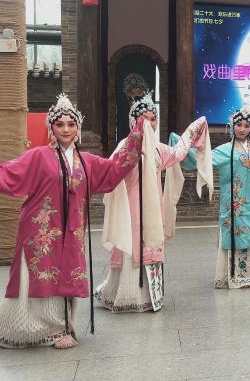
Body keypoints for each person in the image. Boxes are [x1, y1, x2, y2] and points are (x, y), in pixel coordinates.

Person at [0, 94, 144, 349]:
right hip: (39, 231)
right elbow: (8, 174)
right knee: (37, 276)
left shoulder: (88, 162)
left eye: (71, 124)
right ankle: (26, 330)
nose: (65, 129)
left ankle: (62, 328)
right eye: (60, 124)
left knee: (66, 274)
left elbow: (114, 170)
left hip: (72, 231)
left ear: (78, 128)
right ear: (51, 128)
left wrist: (137, 136)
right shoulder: (37, 156)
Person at [95, 92, 209, 313]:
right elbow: (110, 172)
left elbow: (177, 154)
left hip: (152, 210)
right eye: (143, 118)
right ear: (133, 121)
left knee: (149, 245)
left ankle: (149, 296)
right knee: (131, 247)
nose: (149, 123)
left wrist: (191, 132)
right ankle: (126, 296)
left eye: (153, 118)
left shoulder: (158, 149)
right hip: (129, 210)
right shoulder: (125, 146)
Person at [172, 100, 250, 290]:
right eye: (239, 125)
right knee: (235, 236)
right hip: (233, 207)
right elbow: (202, 159)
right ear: (232, 126)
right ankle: (232, 276)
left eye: (247, 125)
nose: (242, 129)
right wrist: (180, 143)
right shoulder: (225, 150)